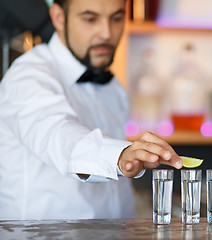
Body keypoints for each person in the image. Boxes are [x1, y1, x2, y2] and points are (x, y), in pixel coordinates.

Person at [0, 0, 183, 220]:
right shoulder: (28, 77)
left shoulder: (114, 88)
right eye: (90, 19)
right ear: (59, 17)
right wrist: (120, 155)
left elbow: (116, 193)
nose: (106, 33)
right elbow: (58, 134)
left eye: (116, 18)